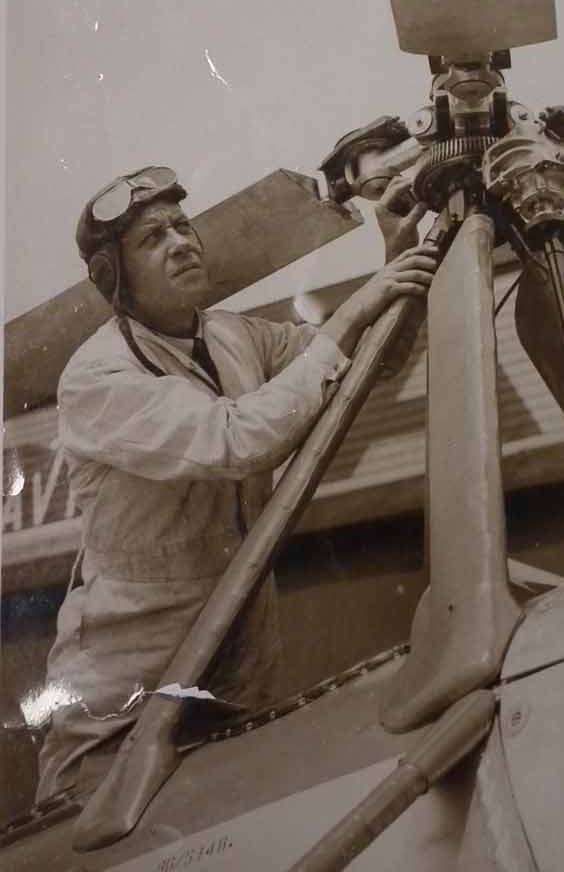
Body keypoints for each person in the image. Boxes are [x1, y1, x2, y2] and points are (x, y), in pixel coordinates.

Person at [35, 165, 437, 801]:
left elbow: (368, 363)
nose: (181, 243)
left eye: (182, 226)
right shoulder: (95, 380)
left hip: (237, 669)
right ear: (113, 278)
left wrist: (395, 259)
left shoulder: (234, 334)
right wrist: (353, 309)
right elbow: (239, 440)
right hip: (126, 696)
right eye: (152, 239)